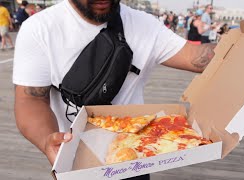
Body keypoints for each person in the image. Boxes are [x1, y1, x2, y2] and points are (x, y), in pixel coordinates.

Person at [13, 0, 216, 179]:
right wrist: (47, 139)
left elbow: (194, 56)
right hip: (76, 159)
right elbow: (31, 99)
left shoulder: (144, 24)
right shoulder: (40, 28)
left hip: (135, 156)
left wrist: (239, 43)